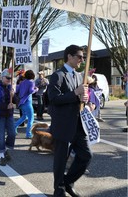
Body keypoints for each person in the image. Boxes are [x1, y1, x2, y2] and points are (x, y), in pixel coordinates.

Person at [47, 45, 92, 197]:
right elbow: (53, 99)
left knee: (86, 155)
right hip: (64, 125)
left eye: (83, 57)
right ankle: (59, 190)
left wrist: (85, 99)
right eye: (79, 56)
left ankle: (68, 182)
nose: (82, 60)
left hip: (79, 124)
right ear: (69, 57)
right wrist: (75, 93)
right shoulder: (57, 75)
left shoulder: (80, 76)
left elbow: (80, 98)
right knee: (61, 161)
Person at [0, 68, 15, 166]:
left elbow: (16, 100)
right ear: (2, 77)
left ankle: (7, 150)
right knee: (0, 136)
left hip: (9, 115)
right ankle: (1, 156)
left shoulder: (10, 88)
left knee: (12, 134)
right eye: (7, 78)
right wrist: (5, 106)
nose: (9, 80)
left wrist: (14, 95)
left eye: (10, 78)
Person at [14, 70, 38, 138]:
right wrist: (36, 89)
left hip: (21, 102)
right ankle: (28, 134)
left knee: (24, 116)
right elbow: (31, 91)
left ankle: (14, 126)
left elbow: (17, 90)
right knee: (31, 118)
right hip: (27, 102)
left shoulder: (22, 82)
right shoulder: (31, 82)